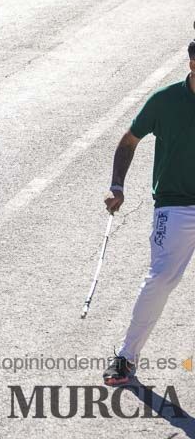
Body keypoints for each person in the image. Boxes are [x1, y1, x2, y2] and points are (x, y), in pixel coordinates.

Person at [101, 40, 195, 387]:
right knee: (160, 281)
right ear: (193, 65)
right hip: (175, 205)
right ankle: (126, 358)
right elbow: (129, 141)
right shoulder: (165, 101)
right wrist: (117, 186)